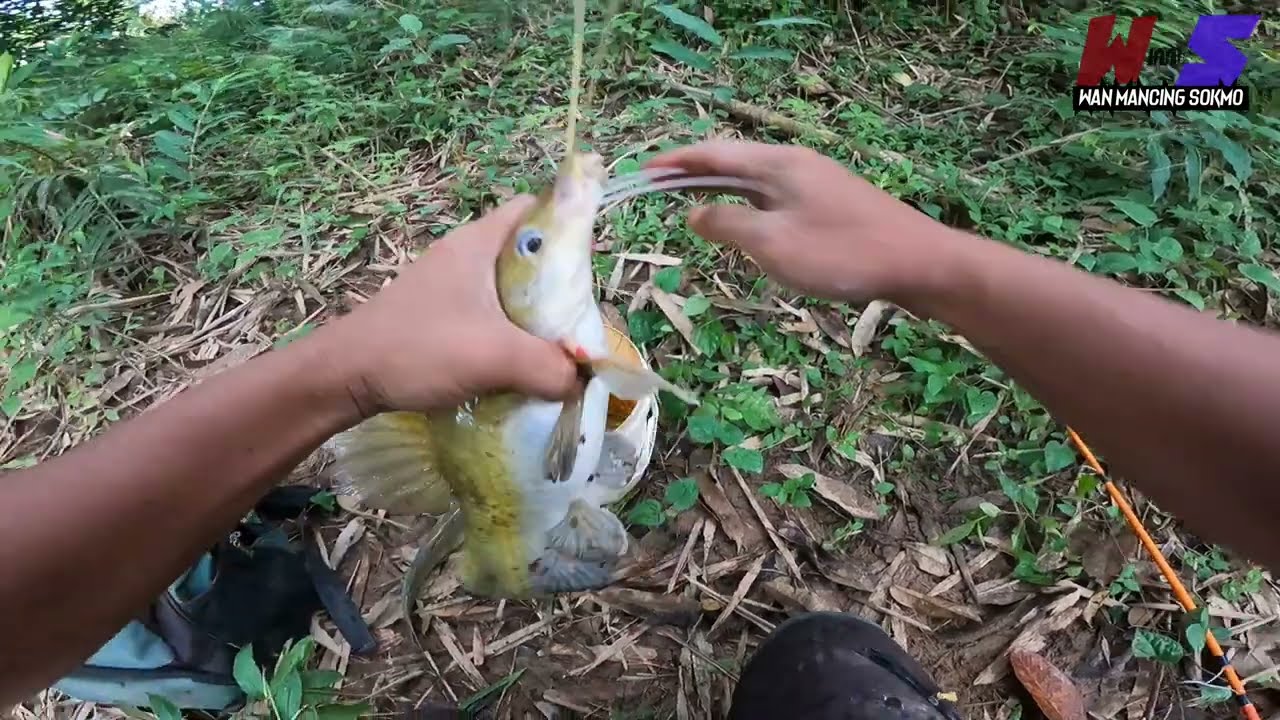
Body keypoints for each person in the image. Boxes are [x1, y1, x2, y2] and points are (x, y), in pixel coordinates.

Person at [2, 141, 1278, 716]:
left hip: (518, 450)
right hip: (513, 472)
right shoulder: (538, 331)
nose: (574, 230)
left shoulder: (562, 320)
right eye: (552, 247)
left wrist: (337, 375)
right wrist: (934, 262)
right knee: (549, 502)